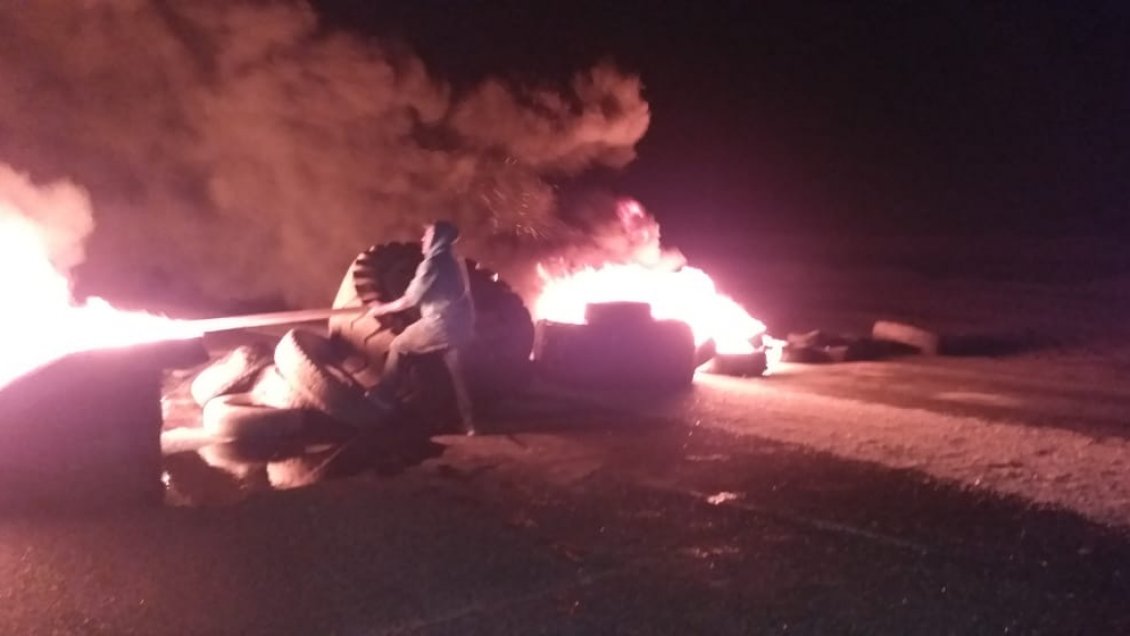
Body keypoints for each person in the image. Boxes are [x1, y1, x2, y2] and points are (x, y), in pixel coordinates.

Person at [364, 221, 477, 435]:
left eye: (428, 235)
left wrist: (380, 309)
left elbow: (409, 300)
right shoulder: (455, 261)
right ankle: (472, 424)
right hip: (463, 324)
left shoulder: (432, 264)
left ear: (437, 239)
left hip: (441, 323)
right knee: (458, 375)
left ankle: (384, 397)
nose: (423, 239)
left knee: (399, 346)